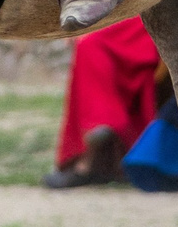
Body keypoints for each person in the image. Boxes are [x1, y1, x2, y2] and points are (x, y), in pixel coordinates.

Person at [45, 16, 164, 188]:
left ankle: (99, 131)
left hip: (154, 12)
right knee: (91, 43)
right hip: (130, 13)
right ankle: (105, 130)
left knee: (91, 42)